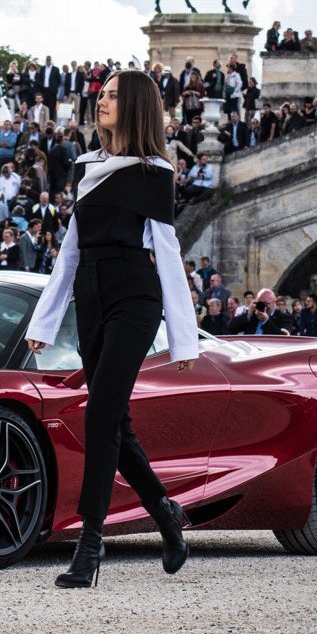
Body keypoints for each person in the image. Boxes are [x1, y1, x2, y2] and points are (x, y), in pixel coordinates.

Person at [24, 69, 198, 589]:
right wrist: (45, 322)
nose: (102, 102)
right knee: (115, 424)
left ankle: (90, 543)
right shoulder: (88, 168)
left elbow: (168, 255)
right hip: (92, 298)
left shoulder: (155, 173)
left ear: (138, 106)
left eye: (114, 96)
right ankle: (166, 514)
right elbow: (69, 253)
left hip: (134, 296)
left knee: (100, 413)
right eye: (100, 95)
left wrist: (183, 336)